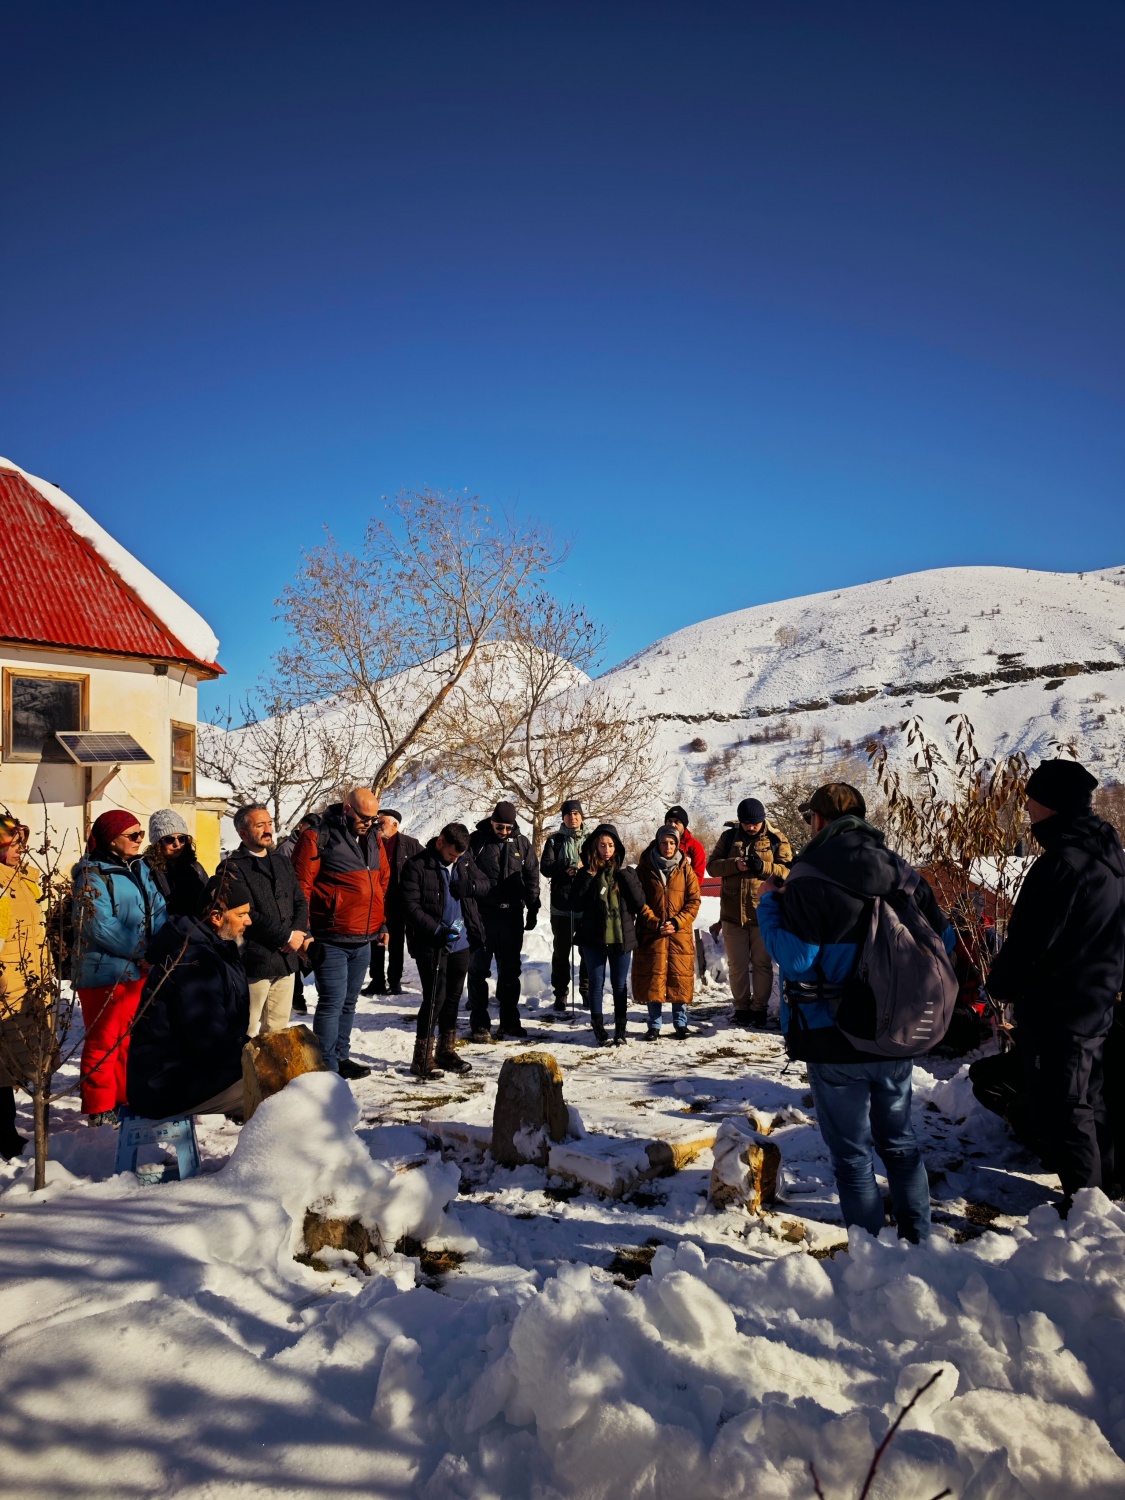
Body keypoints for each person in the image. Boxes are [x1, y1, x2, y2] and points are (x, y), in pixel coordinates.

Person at [757, 782, 943, 1242]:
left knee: (853, 1157)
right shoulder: (903, 873)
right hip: (896, 1029)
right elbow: (945, 943)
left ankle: (871, 1257)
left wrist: (768, 906)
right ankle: (919, 1242)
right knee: (901, 1146)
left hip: (831, 1033)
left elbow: (797, 960)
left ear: (819, 821)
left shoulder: (808, 876)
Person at [986, 759, 1125, 1206]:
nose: (1026, 805)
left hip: (1059, 1006)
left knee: (1064, 1106)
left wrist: (1001, 985)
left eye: (1033, 797)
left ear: (1052, 804)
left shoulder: (1061, 865)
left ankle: (1087, 1207)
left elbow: (1030, 941)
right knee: (1090, 1098)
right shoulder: (1107, 857)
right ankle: (1108, 1189)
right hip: (1094, 999)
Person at [127, 871, 252, 1119]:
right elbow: (210, 1041)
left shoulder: (217, 950)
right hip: (164, 1085)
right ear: (216, 917)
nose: (248, 921)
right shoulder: (194, 961)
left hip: (186, 1072)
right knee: (278, 1093)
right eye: (241, 914)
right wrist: (255, 1058)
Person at [72, 809, 166, 1124]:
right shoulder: (91, 875)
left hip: (137, 970)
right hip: (104, 972)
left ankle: (124, 1099)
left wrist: (158, 947)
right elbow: (97, 924)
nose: (141, 840)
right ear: (112, 839)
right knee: (103, 1042)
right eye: (133, 835)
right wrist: (140, 949)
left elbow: (158, 909)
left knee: (130, 1040)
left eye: (141, 834)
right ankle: (99, 1107)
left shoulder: (139, 868)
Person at [293, 789, 389, 1078]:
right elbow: (301, 887)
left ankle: (341, 1057)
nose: (369, 823)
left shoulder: (373, 839)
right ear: (347, 808)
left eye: (374, 819)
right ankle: (326, 1065)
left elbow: (381, 883)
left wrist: (382, 923)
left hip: (364, 937)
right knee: (332, 1001)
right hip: (330, 936)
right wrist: (304, 930)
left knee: (349, 1001)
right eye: (364, 817)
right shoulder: (316, 837)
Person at [401, 823, 490, 1078]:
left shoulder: (463, 862)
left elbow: (485, 884)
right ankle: (422, 1058)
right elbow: (410, 906)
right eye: (452, 855)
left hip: (460, 938)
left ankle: (446, 1051)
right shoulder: (418, 865)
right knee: (434, 999)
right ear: (440, 842)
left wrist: (469, 887)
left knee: (453, 997)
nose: (455, 859)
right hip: (432, 941)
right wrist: (437, 930)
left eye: (459, 856)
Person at [222, 804, 310, 1037]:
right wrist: (286, 936)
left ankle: (271, 1074)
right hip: (254, 961)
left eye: (269, 824)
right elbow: (247, 912)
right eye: (260, 825)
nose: (267, 830)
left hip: (286, 960)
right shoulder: (231, 866)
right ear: (242, 832)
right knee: (248, 1029)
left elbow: (300, 901)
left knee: (278, 1029)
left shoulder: (281, 861)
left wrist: (298, 933)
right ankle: (244, 1075)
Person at [707, 797, 792, 1027]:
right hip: (733, 914)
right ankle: (741, 1008)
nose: (750, 827)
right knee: (737, 965)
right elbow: (712, 866)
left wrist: (762, 867)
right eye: (746, 823)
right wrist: (735, 865)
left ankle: (759, 1009)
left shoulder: (776, 838)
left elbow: (787, 871)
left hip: (763, 913)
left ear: (762, 820)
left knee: (762, 964)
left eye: (754, 823)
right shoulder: (729, 837)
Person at [466, 800, 540, 1041]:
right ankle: (479, 1024)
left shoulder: (522, 843)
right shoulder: (476, 841)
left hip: (511, 916)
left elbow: (531, 875)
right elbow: (464, 874)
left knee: (510, 971)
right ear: (491, 821)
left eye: (508, 828)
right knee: (478, 970)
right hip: (484, 915)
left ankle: (509, 1021)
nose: (504, 832)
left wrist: (533, 906)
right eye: (500, 827)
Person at [567, 823, 645, 1046]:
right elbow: (575, 903)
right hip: (594, 938)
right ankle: (598, 1028)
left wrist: (624, 875)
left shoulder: (626, 872)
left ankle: (621, 1029)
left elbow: (639, 902)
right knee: (596, 984)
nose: (606, 849)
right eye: (602, 845)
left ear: (617, 847)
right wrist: (588, 875)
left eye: (610, 845)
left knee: (620, 985)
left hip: (620, 937)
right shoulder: (587, 873)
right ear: (595, 846)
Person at [634, 824, 701, 1039]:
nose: (668, 846)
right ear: (658, 842)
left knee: (678, 976)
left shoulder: (685, 868)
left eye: (672, 842)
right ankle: (654, 1025)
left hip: (678, 933)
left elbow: (693, 901)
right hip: (652, 932)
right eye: (664, 842)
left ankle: (680, 1023)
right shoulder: (644, 868)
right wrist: (653, 922)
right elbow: (638, 900)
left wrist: (677, 922)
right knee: (654, 977)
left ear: (678, 844)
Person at [0, 817, 40, 1160]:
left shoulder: (19, 877)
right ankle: (4, 1134)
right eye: (13, 845)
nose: (19, 850)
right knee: (2, 1062)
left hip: (24, 979)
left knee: (12, 1062)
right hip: (5, 983)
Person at [363, 809, 421, 996]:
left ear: (395, 825)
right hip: (377, 901)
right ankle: (377, 980)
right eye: (377, 822)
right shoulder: (370, 842)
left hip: (398, 902)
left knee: (396, 942)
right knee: (376, 942)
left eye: (382, 822)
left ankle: (394, 980)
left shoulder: (410, 845)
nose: (378, 826)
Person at [540, 799, 590, 1014]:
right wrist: (567, 866)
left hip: (586, 904)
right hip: (561, 905)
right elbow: (546, 868)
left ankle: (587, 991)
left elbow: (599, 862)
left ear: (581, 816)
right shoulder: (554, 841)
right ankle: (560, 992)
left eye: (576, 813)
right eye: (569, 814)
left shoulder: (591, 840)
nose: (573, 817)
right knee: (561, 952)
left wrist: (583, 866)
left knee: (587, 950)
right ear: (563, 817)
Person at [142, 809, 209, 919]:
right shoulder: (147, 869)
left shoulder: (195, 867)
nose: (177, 844)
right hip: (164, 932)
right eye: (169, 839)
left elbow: (207, 900)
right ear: (158, 843)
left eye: (182, 838)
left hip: (196, 930)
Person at [663, 806, 707, 882]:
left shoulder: (695, 847)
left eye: (677, 822)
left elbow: (698, 878)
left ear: (684, 825)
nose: (672, 825)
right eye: (669, 821)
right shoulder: (655, 844)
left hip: (683, 893)